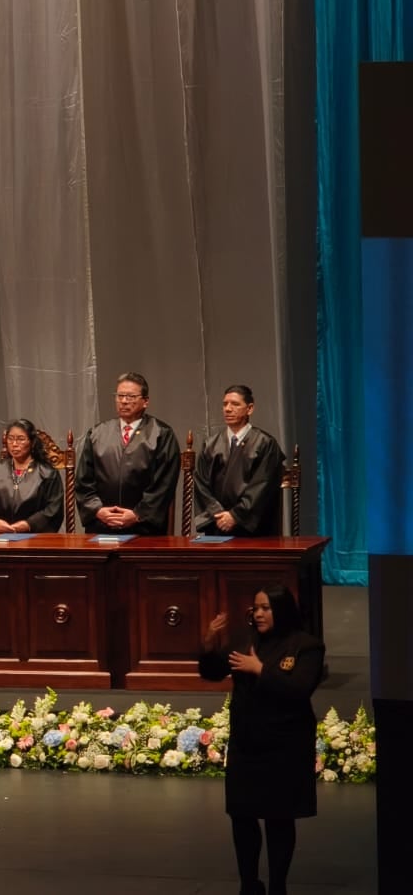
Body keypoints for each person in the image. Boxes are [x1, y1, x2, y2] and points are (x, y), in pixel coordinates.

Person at [199, 585, 326, 895]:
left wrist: (260, 669)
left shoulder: (306, 647)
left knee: (278, 819)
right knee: (241, 815)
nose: (257, 613)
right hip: (247, 744)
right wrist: (208, 644)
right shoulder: (246, 641)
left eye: (265, 608)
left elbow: (298, 690)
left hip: (284, 746)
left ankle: (278, 885)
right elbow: (214, 673)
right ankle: (249, 884)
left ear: (281, 610)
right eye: (255, 608)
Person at [74, 372, 179, 535]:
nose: (123, 401)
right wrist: (98, 510)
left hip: (144, 527)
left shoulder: (161, 434)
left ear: (145, 401)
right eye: (120, 396)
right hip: (102, 524)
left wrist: (137, 514)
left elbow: (164, 484)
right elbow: (83, 481)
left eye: (130, 396)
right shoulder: (97, 433)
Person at [194, 385, 285, 536]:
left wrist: (235, 516)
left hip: (253, 528)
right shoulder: (210, 444)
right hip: (217, 524)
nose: (228, 409)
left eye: (235, 404)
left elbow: (261, 486)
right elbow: (201, 484)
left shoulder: (265, 443)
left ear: (249, 408)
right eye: (225, 404)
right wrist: (218, 515)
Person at [0, 418, 64, 533]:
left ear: (32, 442)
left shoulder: (47, 473)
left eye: (21, 439)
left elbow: (53, 508)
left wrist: (29, 524)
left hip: (34, 536)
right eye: (10, 439)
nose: (14, 444)